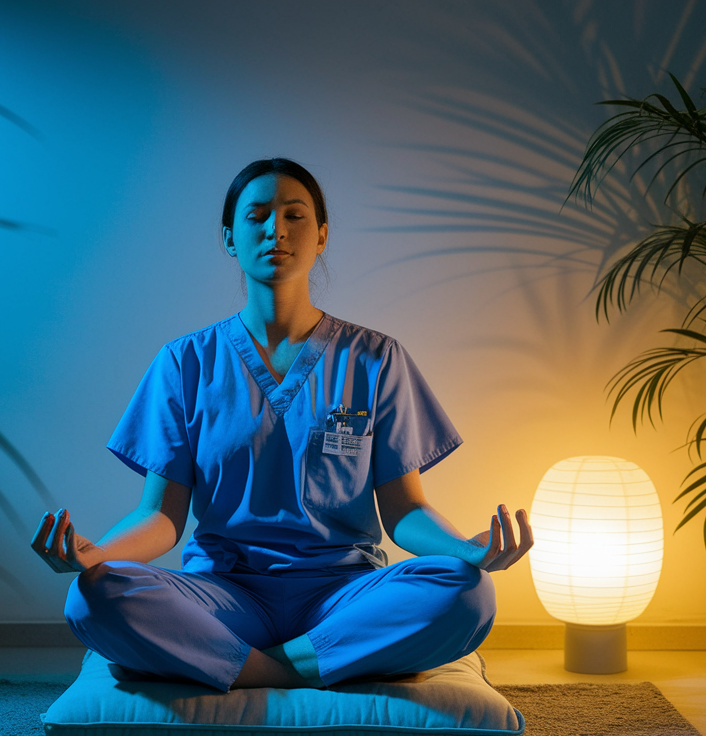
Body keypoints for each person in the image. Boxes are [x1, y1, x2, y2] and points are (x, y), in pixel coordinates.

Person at [32, 158, 532, 692]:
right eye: (258, 216)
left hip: (343, 595)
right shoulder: (185, 362)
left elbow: (405, 512)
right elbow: (161, 519)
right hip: (225, 596)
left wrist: (468, 551)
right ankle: (307, 666)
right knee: (91, 595)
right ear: (230, 237)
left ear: (321, 235)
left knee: (467, 591)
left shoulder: (374, 358)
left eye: (295, 215)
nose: (276, 229)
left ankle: (241, 669)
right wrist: (97, 554)